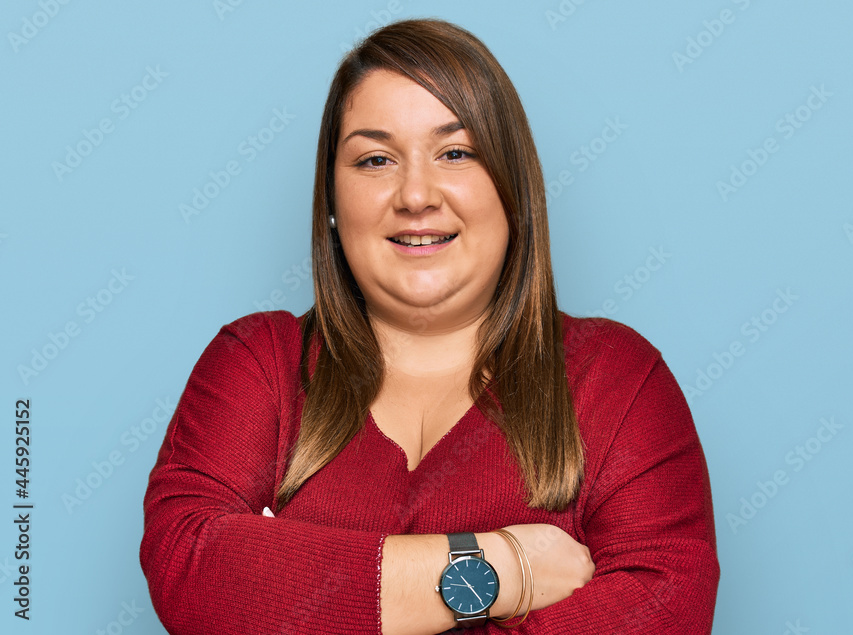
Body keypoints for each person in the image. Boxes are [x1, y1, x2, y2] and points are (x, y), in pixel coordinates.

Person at [140, 18, 719, 635]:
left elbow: (666, 610)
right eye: (375, 159)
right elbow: (189, 570)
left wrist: (298, 587)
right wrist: (505, 568)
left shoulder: (618, 381)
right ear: (332, 203)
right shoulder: (257, 363)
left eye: (456, 152)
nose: (416, 195)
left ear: (511, 187)